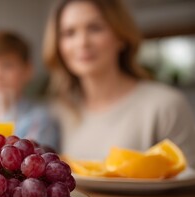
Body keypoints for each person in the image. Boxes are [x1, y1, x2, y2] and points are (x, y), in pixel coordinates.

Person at [43, 0, 195, 167]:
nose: (82, 42)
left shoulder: (167, 106)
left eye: (95, 28)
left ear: (121, 37)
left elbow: (187, 185)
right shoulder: (58, 112)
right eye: (69, 33)